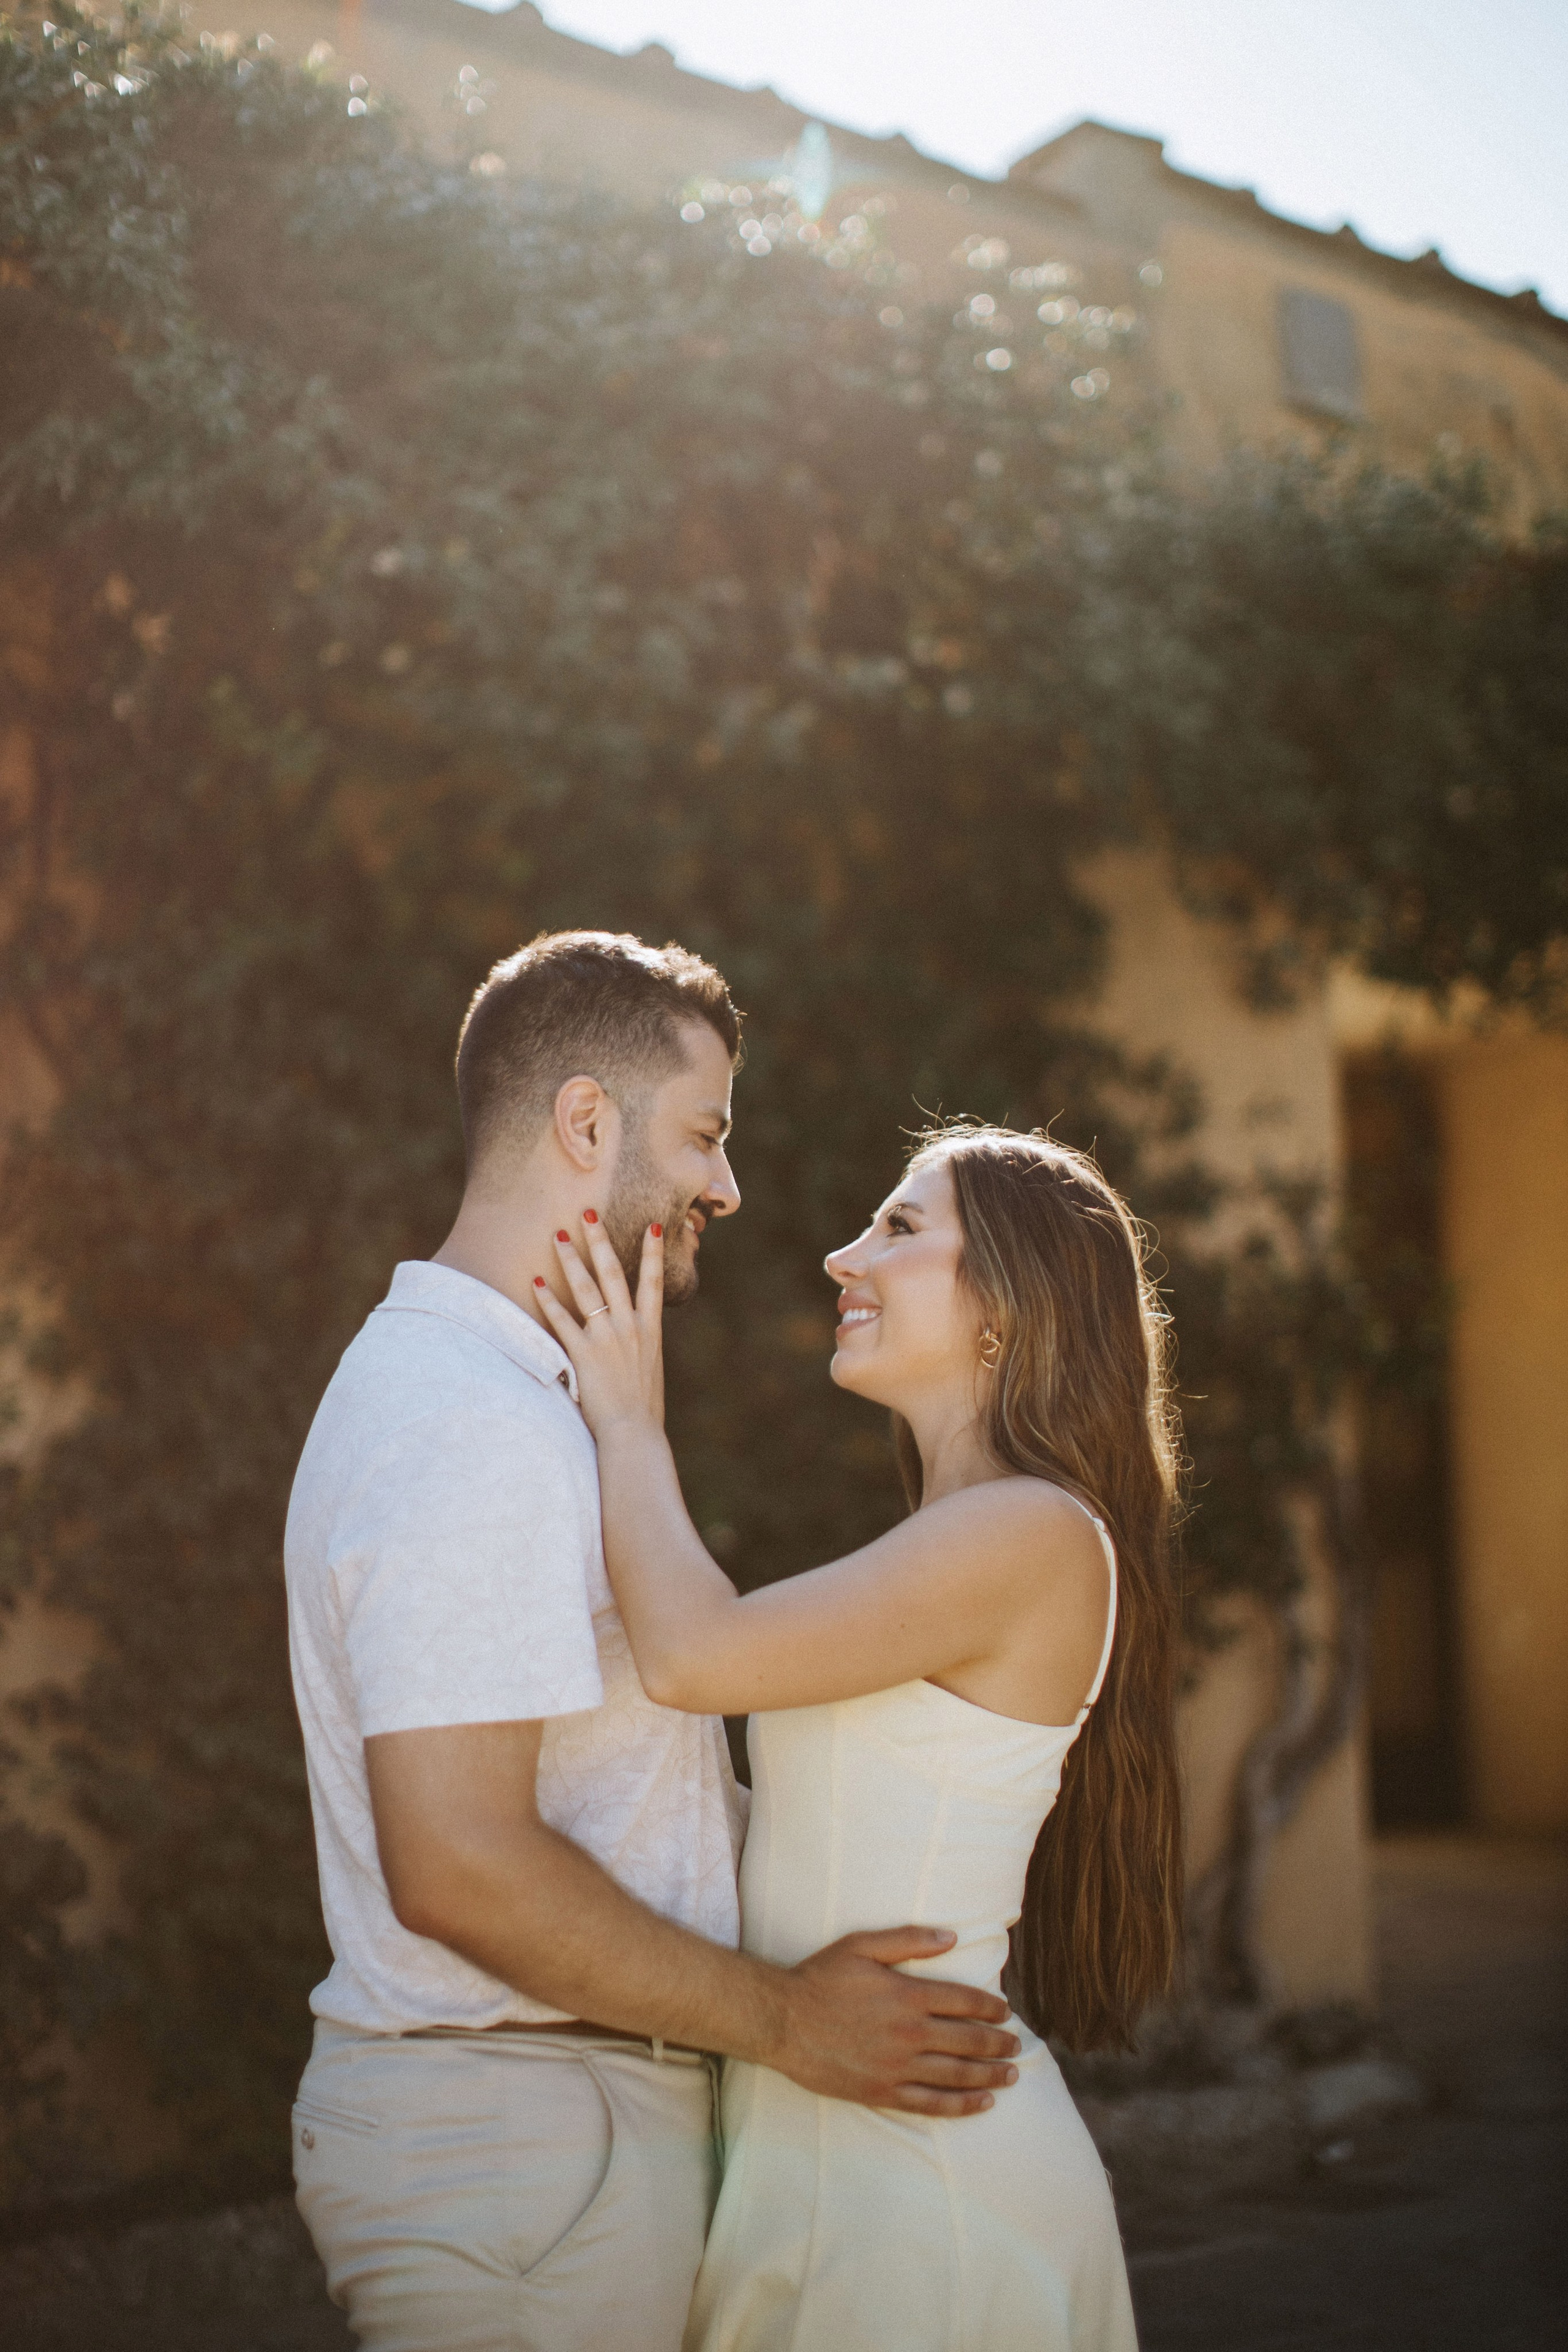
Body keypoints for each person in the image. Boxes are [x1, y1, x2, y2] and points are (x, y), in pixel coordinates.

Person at [283, 932, 1021, 2352]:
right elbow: (458, 1866)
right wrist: (789, 2023)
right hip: (522, 2151)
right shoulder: (467, 1425)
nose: (726, 1188)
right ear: (584, 1123)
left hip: (553, 2141)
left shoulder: (515, 1401)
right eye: (705, 1135)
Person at [537, 1121, 1185, 2352]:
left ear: (1006, 1304)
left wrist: (627, 1421)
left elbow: (693, 1655)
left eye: (895, 1228)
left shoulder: (1029, 1532)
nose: (842, 1258)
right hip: (833, 2152)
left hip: (916, 2196)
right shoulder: (965, 1534)